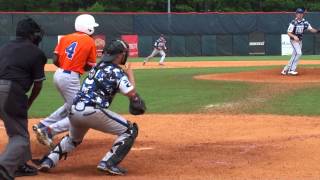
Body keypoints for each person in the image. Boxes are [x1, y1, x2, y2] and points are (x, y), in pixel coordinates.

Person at [37, 40, 146, 176]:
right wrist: (130, 74)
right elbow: (133, 95)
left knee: (73, 139)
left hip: (74, 111)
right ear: (120, 55)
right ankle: (108, 163)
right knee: (130, 130)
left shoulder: (97, 68)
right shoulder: (116, 72)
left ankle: (48, 160)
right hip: (92, 111)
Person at [32, 14, 99, 149]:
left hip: (58, 74)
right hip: (70, 77)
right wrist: (76, 68)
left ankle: (43, 124)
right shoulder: (90, 41)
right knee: (82, 114)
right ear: (88, 27)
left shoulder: (65, 38)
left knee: (70, 106)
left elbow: (55, 60)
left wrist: (68, 67)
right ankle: (49, 131)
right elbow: (89, 66)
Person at [0, 18, 47, 179]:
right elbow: (38, 85)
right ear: (31, 35)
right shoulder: (36, 52)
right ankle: (4, 167)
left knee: (18, 127)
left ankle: (19, 165)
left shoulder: (4, 47)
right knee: (19, 136)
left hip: (4, 88)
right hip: (11, 90)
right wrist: (29, 102)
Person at [281, 8, 319, 75]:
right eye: (298, 13)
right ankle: (291, 70)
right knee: (298, 53)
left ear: (303, 14)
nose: (300, 15)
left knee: (294, 55)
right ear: (296, 14)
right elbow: (288, 32)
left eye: (301, 13)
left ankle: (285, 69)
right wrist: (294, 36)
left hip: (300, 41)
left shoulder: (305, 22)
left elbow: (311, 29)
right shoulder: (293, 22)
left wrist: (318, 31)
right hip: (293, 40)